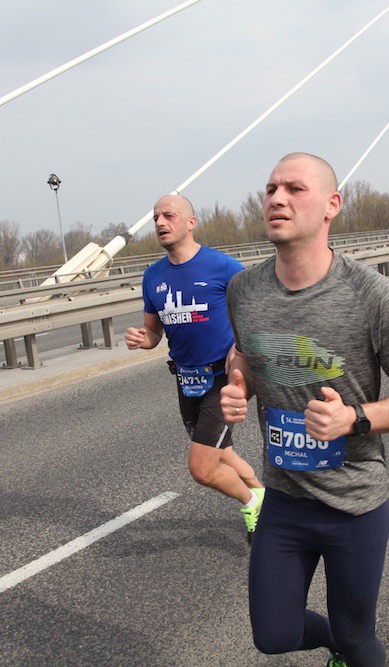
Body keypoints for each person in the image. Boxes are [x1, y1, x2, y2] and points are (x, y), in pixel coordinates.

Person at [220, 153, 389, 666]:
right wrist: (238, 383)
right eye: (270, 189)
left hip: (354, 502)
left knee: (357, 637)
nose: (276, 198)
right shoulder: (243, 290)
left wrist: (353, 419)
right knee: (273, 635)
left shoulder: (369, 294)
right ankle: (336, 643)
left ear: (331, 205)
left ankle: (347, 647)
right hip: (284, 498)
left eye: (294, 188)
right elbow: (246, 352)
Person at [126, 194, 264, 540]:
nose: (160, 222)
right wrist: (141, 338)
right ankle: (263, 494)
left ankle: (254, 504)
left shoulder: (224, 267)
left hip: (223, 379)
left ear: (191, 222)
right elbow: (154, 333)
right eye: (155, 217)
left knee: (202, 468)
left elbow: (256, 314)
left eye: (168, 215)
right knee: (223, 453)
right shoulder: (153, 276)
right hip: (187, 381)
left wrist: (241, 351)